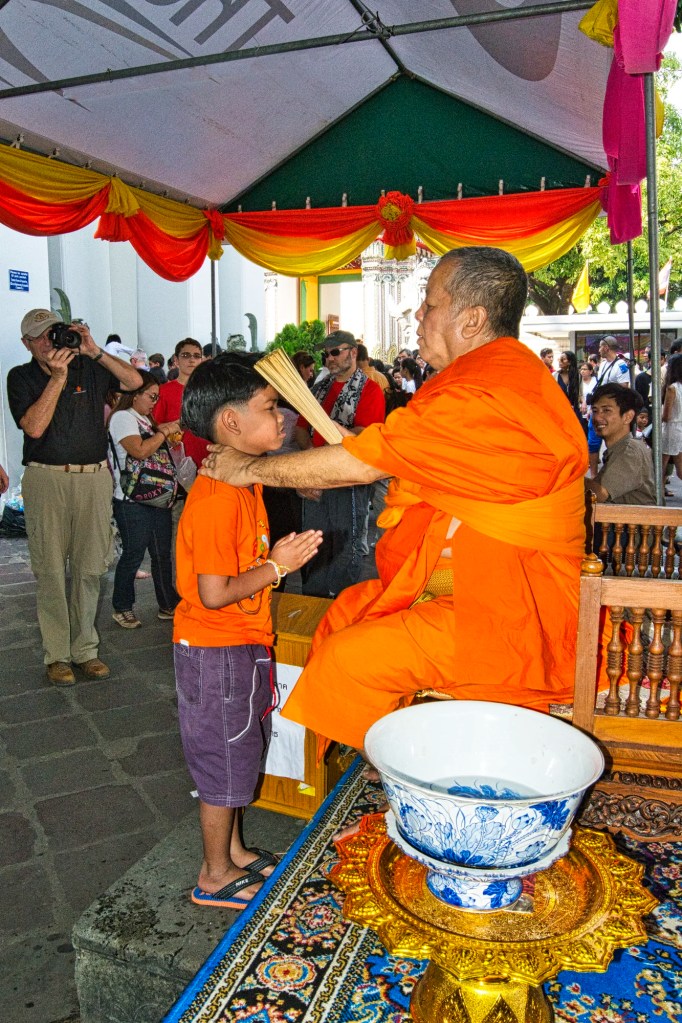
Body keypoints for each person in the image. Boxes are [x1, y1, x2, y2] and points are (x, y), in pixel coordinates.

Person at [200, 247, 587, 753]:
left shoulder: (485, 391)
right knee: (346, 612)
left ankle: (411, 770)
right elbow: (393, 450)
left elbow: (368, 463)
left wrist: (248, 469)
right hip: (468, 586)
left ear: (471, 320)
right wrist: (346, 442)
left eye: (430, 304)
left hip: (503, 612)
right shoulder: (492, 379)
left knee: (349, 657)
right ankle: (400, 749)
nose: (419, 316)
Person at [173, 353, 322, 908]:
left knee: (239, 748)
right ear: (230, 422)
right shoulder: (218, 497)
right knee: (222, 758)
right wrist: (278, 566)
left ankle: (233, 852)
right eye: (269, 406)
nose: (281, 416)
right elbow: (213, 592)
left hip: (239, 642)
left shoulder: (242, 481)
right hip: (216, 649)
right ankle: (214, 874)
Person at [6, 309, 142, 685]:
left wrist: (94, 350)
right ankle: (58, 655)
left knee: (89, 569)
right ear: (27, 344)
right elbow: (34, 426)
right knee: (50, 570)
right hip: (46, 479)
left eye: (54, 331)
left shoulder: (90, 366)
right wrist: (57, 378)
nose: (50, 341)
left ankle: (85, 650)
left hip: (93, 478)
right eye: (40, 336)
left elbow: (134, 381)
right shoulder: (21, 376)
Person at [294, 330, 385, 598]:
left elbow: (362, 436)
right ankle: (314, 602)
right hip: (315, 477)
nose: (329, 359)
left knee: (347, 544)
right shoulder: (319, 388)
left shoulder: (369, 390)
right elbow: (301, 429)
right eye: (326, 354)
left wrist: (321, 460)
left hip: (347, 481)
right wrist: (312, 460)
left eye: (335, 352)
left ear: (353, 352)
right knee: (313, 541)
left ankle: (341, 604)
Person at [108, 371, 181, 628]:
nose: (154, 402)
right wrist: (163, 433)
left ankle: (167, 604)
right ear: (135, 394)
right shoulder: (122, 418)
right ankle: (122, 606)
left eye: (157, 398)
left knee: (162, 554)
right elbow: (138, 451)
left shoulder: (144, 419)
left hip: (156, 497)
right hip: (131, 499)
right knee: (134, 554)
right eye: (151, 396)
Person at [584, 384, 655, 505]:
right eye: (595, 411)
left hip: (633, 523)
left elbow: (599, 494)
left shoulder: (630, 451)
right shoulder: (618, 449)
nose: (597, 417)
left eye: (606, 410)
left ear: (628, 417)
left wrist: (568, 474)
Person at [662, 353, 682, 483]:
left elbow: (666, 416)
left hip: (671, 429)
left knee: (660, 467)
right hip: (680, 427)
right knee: (680, 467)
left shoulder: (672, 388)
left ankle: (658, 494)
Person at [553, 351, 581, 421]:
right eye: (559, 359)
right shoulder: (555, 375)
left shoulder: (577, 376)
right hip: (558, 411)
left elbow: (581, 394)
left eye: (563, 359)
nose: (560, 361)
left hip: (574, 411)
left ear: (569, 362)